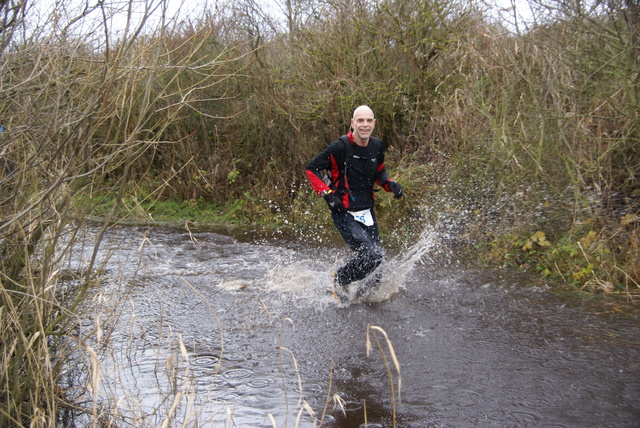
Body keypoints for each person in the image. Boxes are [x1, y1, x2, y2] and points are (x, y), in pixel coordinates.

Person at [305, 105, 403, 302]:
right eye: (360, 121)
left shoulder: (377, 146)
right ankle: (339, 278)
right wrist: (328, 195)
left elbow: (379, 172)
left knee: (377, 266)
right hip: (344, 211)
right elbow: (311, 169)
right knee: (372, 256)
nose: (364, 125)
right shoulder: (340, 147)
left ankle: (362, 303)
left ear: (374, 123)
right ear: (352, 123)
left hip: (366, 210)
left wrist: (389, 184)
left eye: (368, 121)